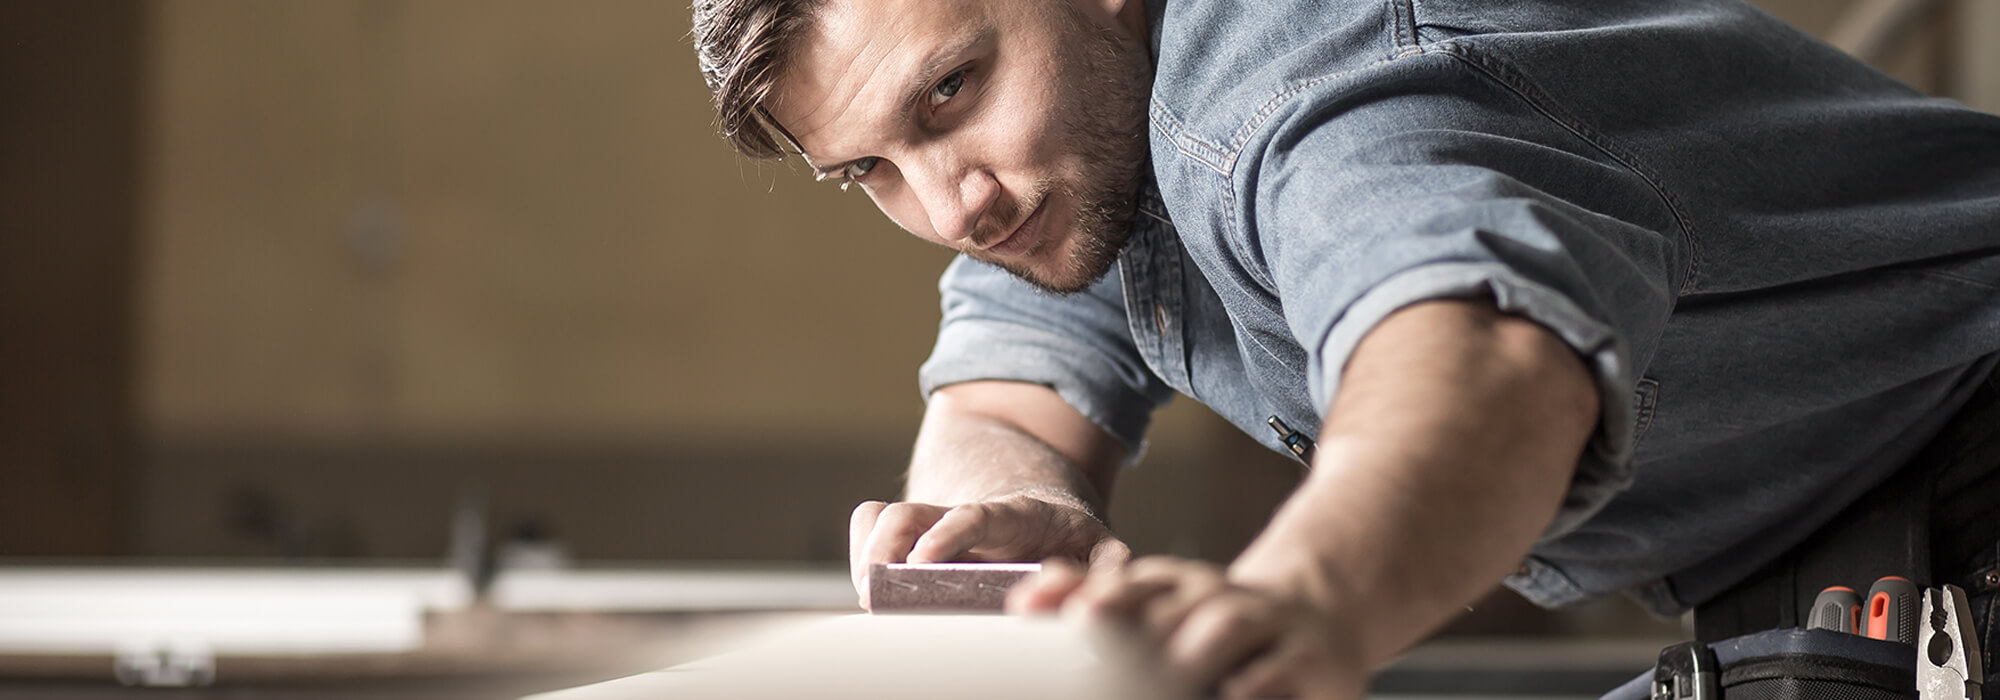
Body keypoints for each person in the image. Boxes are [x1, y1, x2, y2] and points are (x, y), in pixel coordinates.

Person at [690, 0, 2000, 696]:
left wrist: (1303, 604)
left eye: (953, 92)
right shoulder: (1084, 150)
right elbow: (1011, 390)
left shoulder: (1302, 87)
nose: (951, 204)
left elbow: (1481, 357)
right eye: (872, 168)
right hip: (1835, 557)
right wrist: (1006, 523)